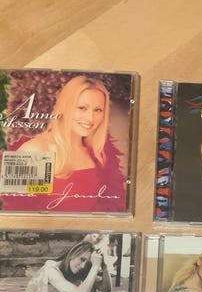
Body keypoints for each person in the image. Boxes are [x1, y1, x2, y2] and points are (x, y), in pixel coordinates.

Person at [2, 75, 126, 212]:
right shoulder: (36, 150)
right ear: (65, 108)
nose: (90, 118)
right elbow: (16, 212)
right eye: (82, 108)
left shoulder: (98, 154)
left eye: (98, 110)